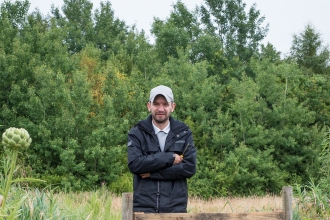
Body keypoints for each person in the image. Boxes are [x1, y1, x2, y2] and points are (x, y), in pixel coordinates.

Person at [127, 85, 197, 213]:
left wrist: (153, 173)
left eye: (165, 104)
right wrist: (169, 158)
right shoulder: (137, 133)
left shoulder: (184, 133)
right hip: (144, 209)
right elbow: (135, 164)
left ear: (172, 107)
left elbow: (189, 168)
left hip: (175, 209)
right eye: (156, 104)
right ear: (149, 106)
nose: (160, 109)